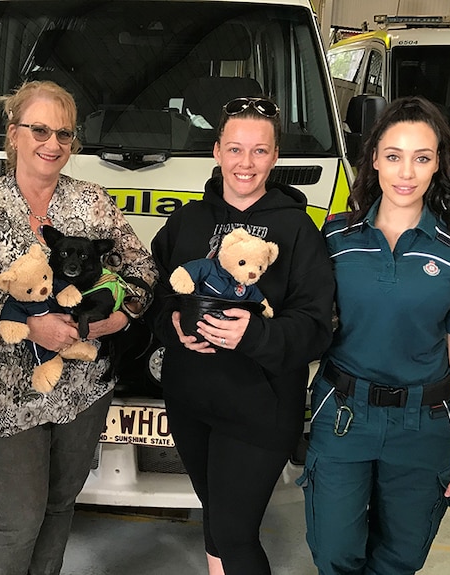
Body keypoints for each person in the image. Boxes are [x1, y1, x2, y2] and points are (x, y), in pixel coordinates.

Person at [0, 80, 157, 575]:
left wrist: (118, 318)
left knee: (60, 507)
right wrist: (30, 327)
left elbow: (142, 271)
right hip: (3, 393)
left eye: (64, 134)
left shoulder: (93, 202)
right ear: (14, 133)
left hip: (81, 390)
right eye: (39, 129)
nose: (52, 143)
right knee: (19, 518)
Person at [300, 96, 450, 575]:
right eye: (393, 156)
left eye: (421, 158)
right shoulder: (335, 240)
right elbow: (300, 324)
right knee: (334, 551)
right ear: (374, 161)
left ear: (437, 166)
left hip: (424, 424)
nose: (406, 172)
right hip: (343, 415)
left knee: (400, 558)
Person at [148, 96, 335, 575]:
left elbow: (316, 327)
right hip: (191, 402)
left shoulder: (298, 229)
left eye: (259, 151)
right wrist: (171, 328)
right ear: (216, 152)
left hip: (261, 408)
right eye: (235, 149)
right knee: (217, 520)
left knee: (234, 532)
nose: (245, 163)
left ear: (274, 157)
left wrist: (253, 335)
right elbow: (157, 296)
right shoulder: (187, 221)